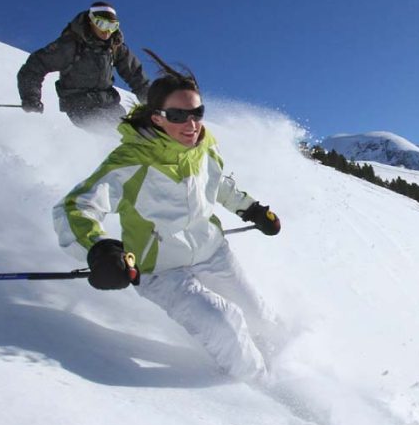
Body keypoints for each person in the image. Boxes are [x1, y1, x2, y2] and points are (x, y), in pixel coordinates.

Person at [52, 52, 284, 381]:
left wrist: (254, 211)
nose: (191, 124)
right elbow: (76, 207)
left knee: (261, 318)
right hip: (159, 269)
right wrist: (100, 249)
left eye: (197, 113)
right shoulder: (132, 159)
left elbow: (220, 186)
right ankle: (262, 391)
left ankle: (284, 363)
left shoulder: (205, 147)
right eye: (178, 114)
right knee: (224, 325)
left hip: (211, 250)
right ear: (158, 117)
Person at [17, 1, 150, 129]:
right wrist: (31, 97)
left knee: (138, 134)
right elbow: (34, 67)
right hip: (80, 107)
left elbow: (136, 76)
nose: (107, 31)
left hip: (110, 104)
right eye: (101, 24)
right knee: (117, 136)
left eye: (112, 26)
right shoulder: (70, 46)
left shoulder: (114, 47)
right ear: (91, 21)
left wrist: (153, 103)